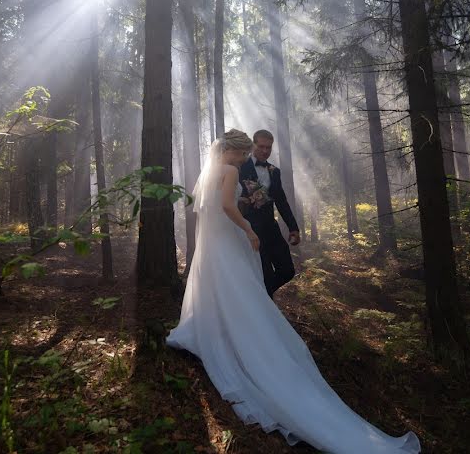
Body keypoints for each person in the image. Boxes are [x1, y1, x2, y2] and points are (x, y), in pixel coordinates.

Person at [167, 129, 420, 454]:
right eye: (244, 153)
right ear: (235, 151)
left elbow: (214, 205)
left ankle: (213, 323)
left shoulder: (212, 170)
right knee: (241, 286)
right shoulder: (230, 170)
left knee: (220, 284)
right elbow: (229, 206)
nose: (246, 159)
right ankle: (246, 326)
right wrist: (247, 229)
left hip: (212, 243)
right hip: (230, 235)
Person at [238, 129, 300, 297]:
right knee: (264, 275)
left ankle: (258, 300)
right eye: (261, 146)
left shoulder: (275, 171)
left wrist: (293, 227)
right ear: (253, 145)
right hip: (250, 231)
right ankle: (264, 310)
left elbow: (281, 201)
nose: (265, 151)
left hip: (272, 229)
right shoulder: (240, 166)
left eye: (269, 147)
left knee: (287, 271)